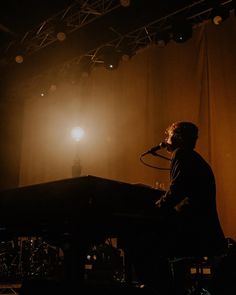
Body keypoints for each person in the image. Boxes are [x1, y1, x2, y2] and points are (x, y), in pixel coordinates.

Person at [125, 121, 226, 294]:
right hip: (205, 230)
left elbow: (176, 191)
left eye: (169, 135)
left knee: (138, 238)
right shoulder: (195, 158)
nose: (166, 139)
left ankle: (157, 288)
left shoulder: (181, 154)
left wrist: (153, 210)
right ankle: (168, 285)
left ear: (178, 137)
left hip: (192, 230)